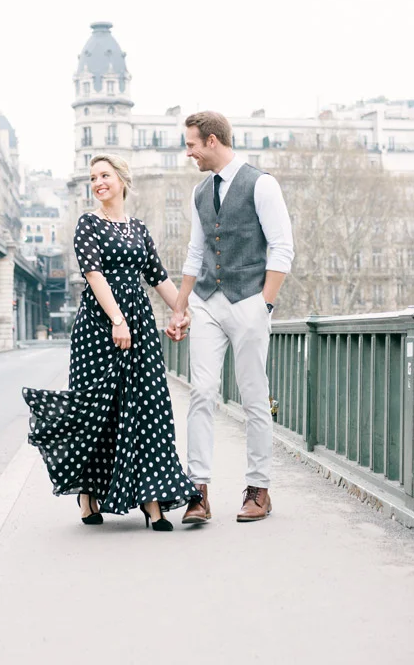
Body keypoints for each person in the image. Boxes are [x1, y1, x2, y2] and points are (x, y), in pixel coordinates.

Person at [22, 154, 200, 532]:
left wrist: (181, 312)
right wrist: (117, 319)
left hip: (140, 325)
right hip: (99, 327)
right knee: (98, 411)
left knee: (149, 407)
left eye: (104, 175)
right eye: (93, 178)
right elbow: (93, 274)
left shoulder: (138, 228)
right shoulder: (88, 223)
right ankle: (88, 493)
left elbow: (158, 276)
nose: (97, 183)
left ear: (122, 179)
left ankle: (152, 500)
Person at [167, 111, 294, 524]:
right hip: (207, 300)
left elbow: (282, 248)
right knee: (202, 391)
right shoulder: (200, 192)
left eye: (191, 144)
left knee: (254, 395)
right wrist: (180, 307)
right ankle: (198, 491)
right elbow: (196, 252)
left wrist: (264, 304)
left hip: (248, 301)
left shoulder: (262, 184)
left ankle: (259, 489)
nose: (188, 153)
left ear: (212, 141)